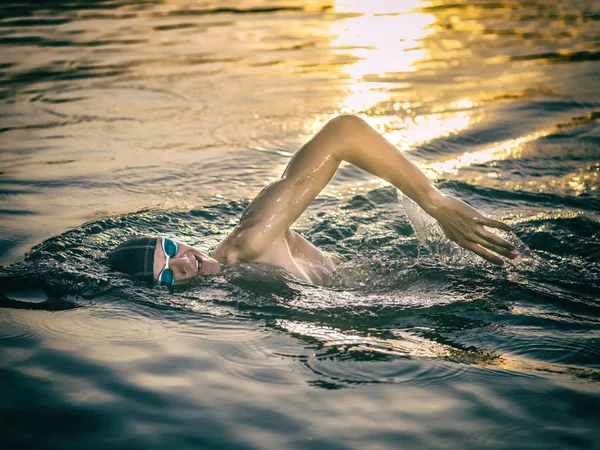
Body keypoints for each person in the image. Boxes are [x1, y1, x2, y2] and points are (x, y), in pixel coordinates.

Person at [107, 114, 517, 286]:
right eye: (166, 272)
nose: (183, 262)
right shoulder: (231, 285)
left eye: (171, 249)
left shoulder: (249, 241)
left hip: (435, 286)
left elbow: (343, 134)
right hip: (419, 281)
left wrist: (434, 202)